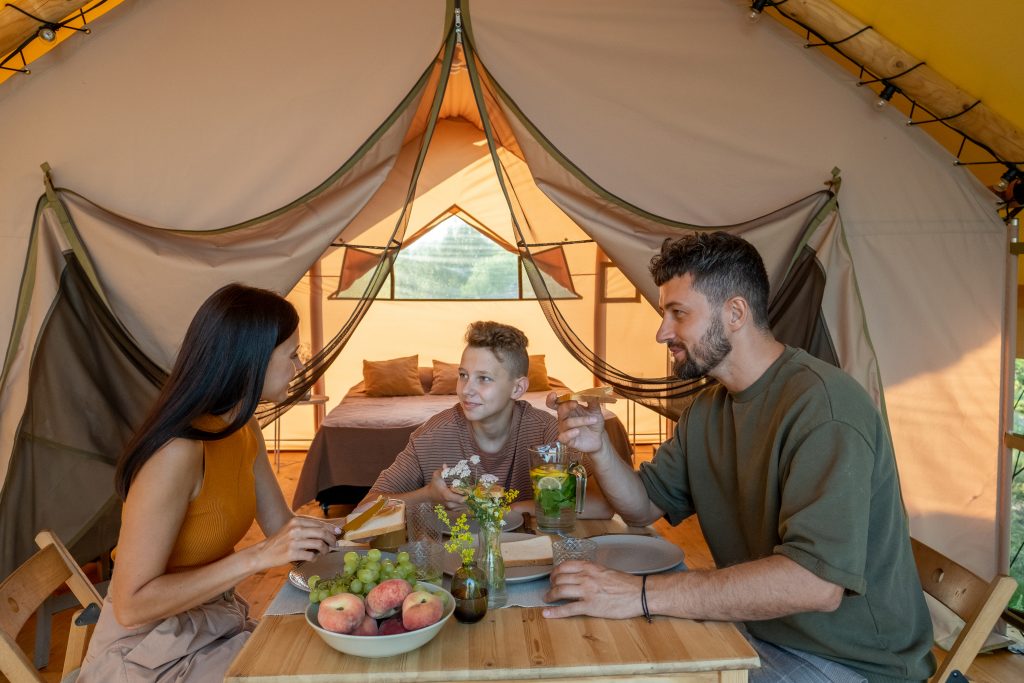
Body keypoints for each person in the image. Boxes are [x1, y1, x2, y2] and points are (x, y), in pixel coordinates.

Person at [543, 232, 935, 683]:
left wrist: (640, 593)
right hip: (760, 626)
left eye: (678, 314)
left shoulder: (824, 409)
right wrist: (599, 448)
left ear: (734, 313)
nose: (662, 332)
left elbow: (815, 583)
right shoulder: (709, 408)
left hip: (851, 662)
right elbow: (641, 507)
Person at [79, 284, 337, 683]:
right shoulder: (178, 452)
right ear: (250, 362)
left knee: (327, 652)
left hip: (212, 621)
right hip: (147, 652)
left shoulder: (242, 425)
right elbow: (131, 606)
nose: (300, 367)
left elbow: (281, 528)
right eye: (292, 355)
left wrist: (357, 540)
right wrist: (255, 558)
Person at [360, 321, 611, 517]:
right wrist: (427, 495)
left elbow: (600, 505)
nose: (466, 389)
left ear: (517, 388)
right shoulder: (429, 437)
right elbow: (363, 510)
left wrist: (504, 511)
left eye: (484, 378)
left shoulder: (547, 431)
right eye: (463, 375)